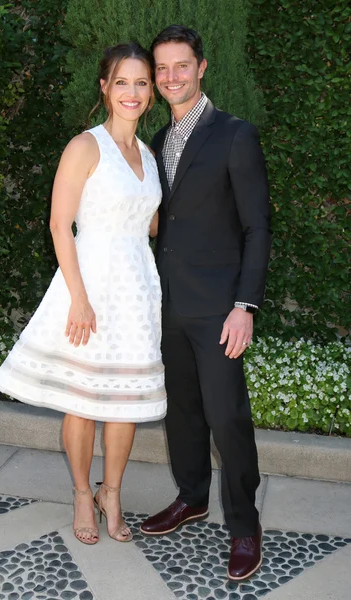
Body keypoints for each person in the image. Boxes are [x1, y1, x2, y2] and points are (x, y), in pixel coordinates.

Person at [0, 42, 166, 545]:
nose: (132, 92)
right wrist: (79, 297)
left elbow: (152, 224)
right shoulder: (85, 146)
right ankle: (80, 494)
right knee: (84, 400)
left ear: (150, 92)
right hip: (89, 282)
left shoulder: (150, 155)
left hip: (136, 288)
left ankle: (111, 493)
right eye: (122, 82)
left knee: (125, 400)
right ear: (104, 88)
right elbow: (58, 224)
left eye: (141, 83)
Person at [140, 26, 271, 582]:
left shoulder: (234, 135)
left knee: (227, 419)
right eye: (162, 69)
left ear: (202, 67)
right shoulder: (153, 141)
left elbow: (258, 227)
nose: (170, 77)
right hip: (166, 303)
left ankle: (244, 525)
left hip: (219, 309)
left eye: (181, 66)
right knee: (185, 416)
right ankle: (191, 497)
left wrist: (245, 304)